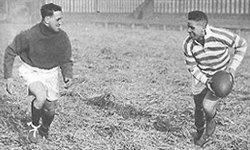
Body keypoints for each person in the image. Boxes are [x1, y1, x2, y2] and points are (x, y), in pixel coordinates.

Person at [3, 3, 73, 143]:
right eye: (58, 19)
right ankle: (34, 128)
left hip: (50, 72)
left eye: (61, 19)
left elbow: (66, 60)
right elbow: (10, 51)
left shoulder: (62, 37)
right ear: (47, 20)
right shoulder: (29, 35)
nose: (61, 22)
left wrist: (67, 75)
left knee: (50, 110)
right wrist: (8, 77)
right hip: (32, 70)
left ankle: (44, 129)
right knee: (40, 96)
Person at [183, 11, 247, 147]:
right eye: (188, 26)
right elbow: (193, 68)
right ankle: (199, 131)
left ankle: (208, 131)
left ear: (203, 27)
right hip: (201, 78)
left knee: (207, 107)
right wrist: (206, 81)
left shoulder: (220, 35)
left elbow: (242, 44)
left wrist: (232, 68)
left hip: (219, 78)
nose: (188, 30)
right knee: (198, 107)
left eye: (192, 27)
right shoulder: (188, 45)